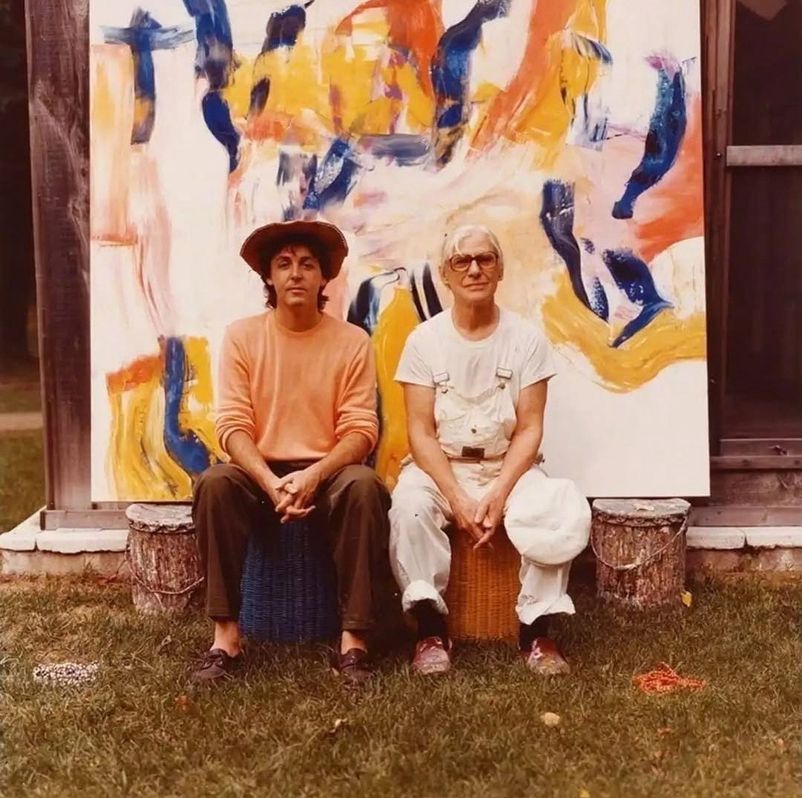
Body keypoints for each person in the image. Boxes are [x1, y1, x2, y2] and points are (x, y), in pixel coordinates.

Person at [191, 219, 391, 687]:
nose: (296, 273)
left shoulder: (352, 342)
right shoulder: (243, 337)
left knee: (364, 486)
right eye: (284, 264)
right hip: (261, 475)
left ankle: (354, 643)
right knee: (214, 483)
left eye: (307, 264)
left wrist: (314, 476)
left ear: (324, 278)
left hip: (329, 473)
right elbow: (233, 426)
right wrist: (270, 480)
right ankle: (226, 639)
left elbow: (362, 431)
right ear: (269, 278)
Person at [389, 224, 591, 676]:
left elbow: (530, 428)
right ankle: (430, 631)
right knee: (409, 506)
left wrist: (500, 491)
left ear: (500, 270)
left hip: (508, 465)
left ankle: (537, 632)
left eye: (485, 259)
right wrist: (457, 498)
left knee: (553, 506)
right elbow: (419, 433)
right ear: (445, 273)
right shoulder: (424, 342)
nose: (475, 269)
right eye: (462, 261)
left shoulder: (526, 340)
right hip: (440, 465)